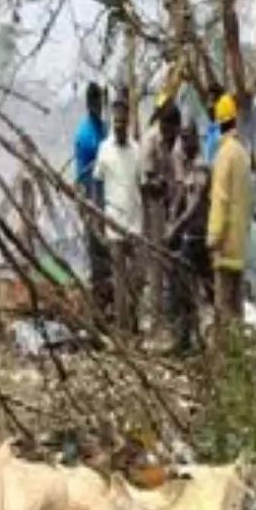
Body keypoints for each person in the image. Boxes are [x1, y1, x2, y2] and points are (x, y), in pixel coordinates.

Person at [94, 95, 145, 334]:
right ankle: (124, 330)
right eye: (116, 122)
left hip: (135, 224)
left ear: (129, 121)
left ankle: (134, 321)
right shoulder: (104, 149)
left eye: (123, 122)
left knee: (137, 278)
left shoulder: (137, 150)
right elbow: (96, 182)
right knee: (119, 283)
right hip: (113, 223)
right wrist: (97, 215)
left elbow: (142, 184)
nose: (120, 126)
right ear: (112, 121)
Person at [207, 93, 252, 331]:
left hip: (224, 248)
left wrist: (212, 238)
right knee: (237, 310)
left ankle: (224, 360)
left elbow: (220, 200)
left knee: (224, 310)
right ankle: (238, 359)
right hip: (240, 246)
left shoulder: (224, 155)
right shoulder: (243, 154)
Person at [167, 119, 212, 354]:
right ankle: (186, 340)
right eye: (182, 138)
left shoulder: (202, 166)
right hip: (190, 238)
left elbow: (194, 205)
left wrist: (175, 226)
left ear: (196, 138)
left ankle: (214, 341)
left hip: (202, 239)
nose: (184, 143)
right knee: (183, 289)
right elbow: (180, 196)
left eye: (188, 138)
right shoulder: (187, 165)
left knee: (209, 291)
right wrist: (172, 219)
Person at [142, 99, 183, 331]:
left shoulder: (174, 141)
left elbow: (177, 177)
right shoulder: (151, 140)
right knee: (156, 262)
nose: (172, 137)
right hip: (154, 207)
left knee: (172, 262)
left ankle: (171, 314)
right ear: (164, 125)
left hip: (171, 207)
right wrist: (163, 187)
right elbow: (147, 181)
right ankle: (156, 318)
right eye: (170, 131)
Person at [74, 83, 110, 307]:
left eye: (99, 103)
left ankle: (109, 299)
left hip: (108, 198)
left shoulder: (106, 129)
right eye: (93, 103)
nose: (96, 107)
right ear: (88, 105)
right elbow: (81, 175)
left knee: (109, 252)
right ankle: (99, 303)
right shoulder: (85, 135)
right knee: (96, 250)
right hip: (91, 196)